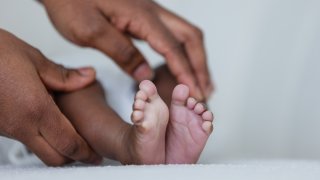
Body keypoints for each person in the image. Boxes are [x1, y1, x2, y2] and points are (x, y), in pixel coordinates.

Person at [0, 0, 213, 166]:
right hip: (35, 102)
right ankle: (127, 144)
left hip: (126, 103)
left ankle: (169, 143)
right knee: (77, 91)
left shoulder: (140, 93)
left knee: (84, 88)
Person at [55, 65, 214, 164]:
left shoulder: (148, 107)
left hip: (144, 128)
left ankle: (171, 147)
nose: (196, 92)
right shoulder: (112, 80)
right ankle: (125, 143)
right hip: (72, 88)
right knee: (78, 90)